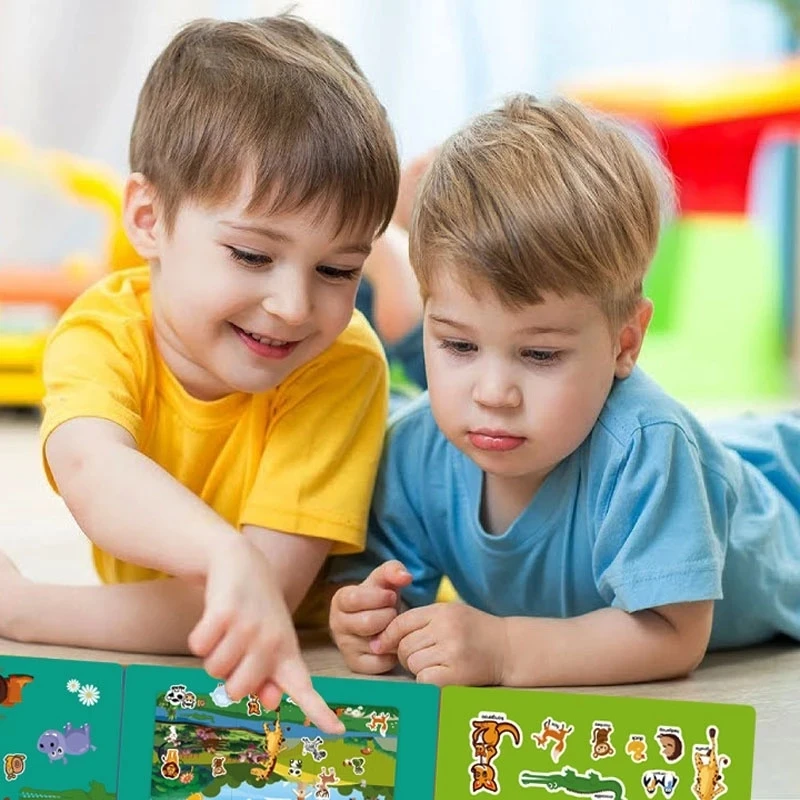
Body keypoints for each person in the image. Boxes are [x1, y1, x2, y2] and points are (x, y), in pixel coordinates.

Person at [1, 13, 400, 732]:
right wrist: (226, 553)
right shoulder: (102, 330)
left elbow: (255, 604)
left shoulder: (339, 361)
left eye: (339, 269)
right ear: (149, 218)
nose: (291, 305)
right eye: (252, 255)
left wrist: (28, 608)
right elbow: (96, 474)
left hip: (335, 635)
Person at [328, 93, 800, 688]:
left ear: (625, 343)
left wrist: (505, 650)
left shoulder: (648, 449)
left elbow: (673, 635)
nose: (494, 392)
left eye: (540, 354)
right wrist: (366, 617)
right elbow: (380, 590)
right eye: (458, 346)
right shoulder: (415, 451)